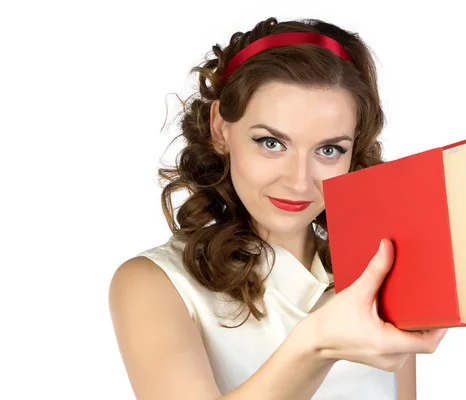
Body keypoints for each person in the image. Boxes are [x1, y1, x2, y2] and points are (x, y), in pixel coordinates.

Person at [108, 16, 447, 400]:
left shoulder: (374, 279)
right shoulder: (156, 284)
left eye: (329, 149)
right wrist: (316, 345)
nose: (299, 181)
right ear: (220, 127)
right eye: (271, 143)